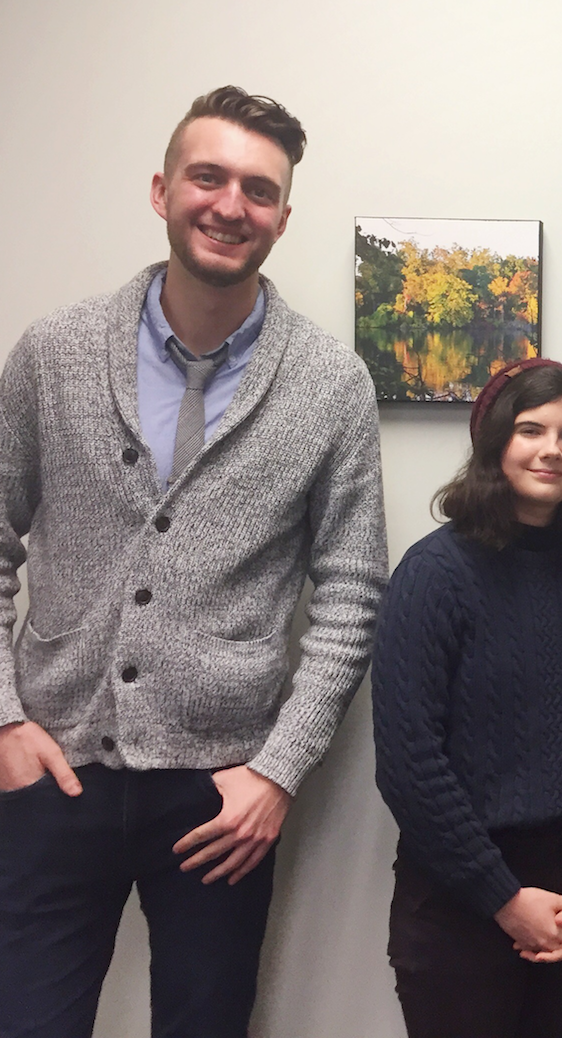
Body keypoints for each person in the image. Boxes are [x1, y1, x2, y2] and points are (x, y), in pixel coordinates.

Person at [0, 86, 387, 1036]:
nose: (230, 205)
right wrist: (4, 720)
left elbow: (352, 595)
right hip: (55, 768)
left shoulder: (332, 385)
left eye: (259, 190)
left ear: (283, 218)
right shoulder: (53, 352)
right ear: (161, 189)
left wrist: (279, 771)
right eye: (208, 177)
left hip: (222, 794)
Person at [372, 358, 562, 1038]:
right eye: (531, 430)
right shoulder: (433, 573)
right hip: (458, 900)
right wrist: (504, 899)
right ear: (494, 440)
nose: (553, 450)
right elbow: (408, 763)